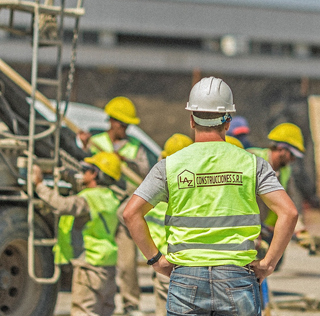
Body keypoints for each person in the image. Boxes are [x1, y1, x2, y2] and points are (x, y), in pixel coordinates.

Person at [122, 76, 298, 316]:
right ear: (228, 122)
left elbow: (131, 213)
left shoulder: (170, 166)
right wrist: (268, 264)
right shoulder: (252, 164)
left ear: (192, 120)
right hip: (237, 277)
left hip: (186, 277)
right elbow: (289, 212)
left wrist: (156, 261)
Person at [80, 96, 150, 316]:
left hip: (124, 211)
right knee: (101, 260)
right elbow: (85, 166)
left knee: (127, 263)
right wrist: (82, 146)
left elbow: (145, 173)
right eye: (122, 124)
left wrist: (126, 162)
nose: (125, 128)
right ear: (111, 121)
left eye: (128, 124)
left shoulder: (135, 148)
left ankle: (131, 304)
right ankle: (102, 301)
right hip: (102, 209)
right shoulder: (97, 142)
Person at [32, 152, 123, 316]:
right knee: (105, 311)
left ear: (95, 174)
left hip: (89, 265)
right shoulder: (111, 198)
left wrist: (39, 185)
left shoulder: (87, 199)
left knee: (84, 311)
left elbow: (61, 205)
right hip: (108, 263)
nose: (83, 173)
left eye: (86, 169)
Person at [144, 133, 193, 316]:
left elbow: (129, 214)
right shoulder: (195, 188)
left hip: (165, 261)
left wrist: (155, 259)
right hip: (190, 261)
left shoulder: (158, 189)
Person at [246, 123, 306, 229]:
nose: (293, 160)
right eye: (292, 155)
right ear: (280, 148)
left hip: (265, 229)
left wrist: (299, 228)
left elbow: (289, 202)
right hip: (246, 227)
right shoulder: (252, 158)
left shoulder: (285, 171)